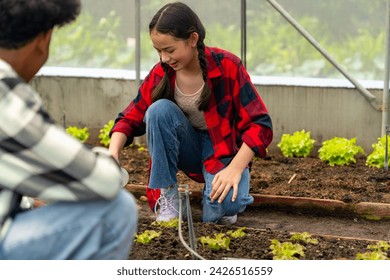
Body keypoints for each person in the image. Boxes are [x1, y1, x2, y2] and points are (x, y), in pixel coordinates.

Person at [109, 2, 272, 225]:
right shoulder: (162, 73)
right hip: (187, 147)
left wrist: (235, 168)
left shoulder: (228, 66)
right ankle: (169, 197)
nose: (164, 58)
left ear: (193, 39)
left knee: (223, 209)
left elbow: (260, 124)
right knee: (158, 110)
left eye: (170, 50)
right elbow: (130, 116)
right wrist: (113, 152)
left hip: (221, 152)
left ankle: (225, 197)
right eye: (158, 51)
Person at [0, 0, 137, 260]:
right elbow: (104, 181)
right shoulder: (5, 91)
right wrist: (107, 159)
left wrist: (27, 203)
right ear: (44, 38)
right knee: (115, 210)